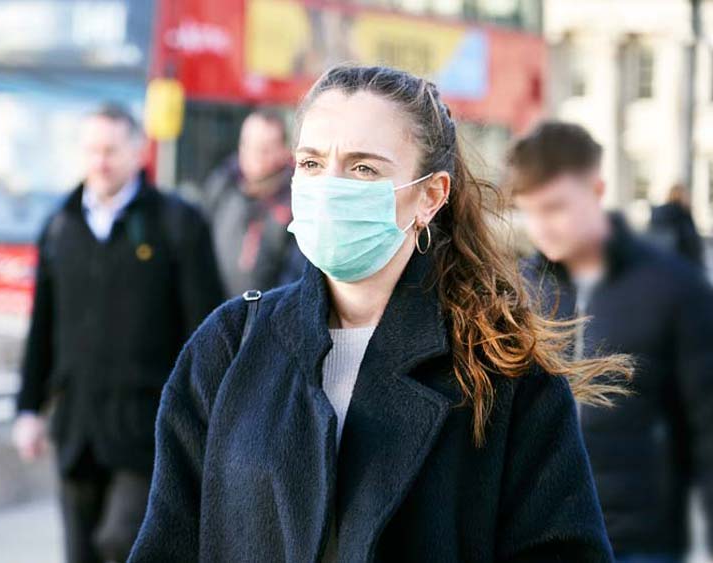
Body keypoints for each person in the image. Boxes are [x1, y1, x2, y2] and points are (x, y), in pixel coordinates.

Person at [129, 65, 630, 562]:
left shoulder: (503, 370)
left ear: (430, 196)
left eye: (363, 168)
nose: (330, 187)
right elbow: (168, 541)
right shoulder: (230, 343)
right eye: (311, 163)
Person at [12, 104, 224, 563]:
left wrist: (206, 416)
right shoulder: (60, 225)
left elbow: (207, 329)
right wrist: (28, 408)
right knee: (81, 550)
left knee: (124, 541)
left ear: (137, 152)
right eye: (91, 150)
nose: (100, 161)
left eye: (111, 150)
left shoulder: (177, 224)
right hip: (77, 427)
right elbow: (42, 325)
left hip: (148, 428)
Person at [509, 121, 713, 563]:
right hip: (543, 534)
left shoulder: (672, 287)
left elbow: (706, 426)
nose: (540, 226)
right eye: (530, 210)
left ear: (596, 190)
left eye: (555, 207)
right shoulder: (519, 292)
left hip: (640, 539)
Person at [204, 109, 305, 296]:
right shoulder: (223, 185)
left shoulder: (296, 200)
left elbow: (295, 278)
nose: (254, 156)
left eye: (264, 149)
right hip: (218, 312)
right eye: (247, 145)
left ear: (284, 151)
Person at [648, 183, 705, 268]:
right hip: (683, 269)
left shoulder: (661, 215)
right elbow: (692, 247)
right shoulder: (682, 217)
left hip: (664, 269)